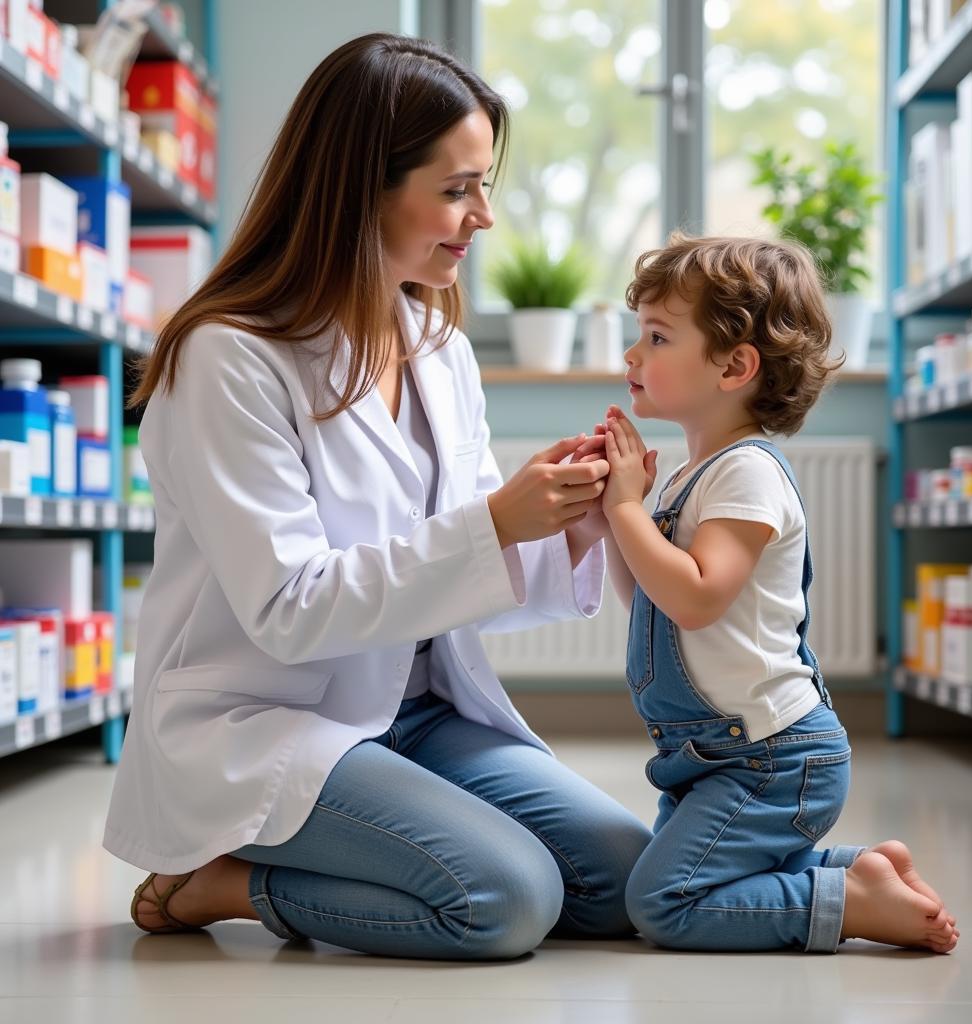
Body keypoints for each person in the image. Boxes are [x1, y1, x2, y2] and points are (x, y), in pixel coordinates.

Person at [107, 32, 651, 960]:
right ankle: (224, 883)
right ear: (360, 186)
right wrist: (492, 525)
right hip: (268, 719)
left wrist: (563, 522)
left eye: (485, 185)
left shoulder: (440, 348)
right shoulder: (229, 356)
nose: (482, 215)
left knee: (625, 879)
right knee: (506, 898)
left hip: (419, 712)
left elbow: (466, 577)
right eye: (454, 188)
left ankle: (370, 835)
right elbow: (288, 608)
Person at [573, 233, 959, 954]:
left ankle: (849, 903)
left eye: (656, 337)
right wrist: (613, 523)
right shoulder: (696, 475)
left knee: (662, 904)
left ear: (736, 365)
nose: (632, 357)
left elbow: (696, 597)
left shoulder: (746, 473)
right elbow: (657, 607)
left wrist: (630, 510)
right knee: (676, 882)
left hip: (773, 760)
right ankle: (860, 871)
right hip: (717, 759)